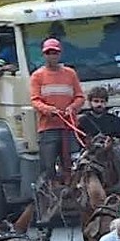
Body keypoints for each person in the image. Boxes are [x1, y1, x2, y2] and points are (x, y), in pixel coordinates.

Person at [30, 38, 85, 182]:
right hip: (48, 129)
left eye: (54, 52)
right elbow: (35, 100)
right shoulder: (37, 76)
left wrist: (72, 108)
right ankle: (47, 197)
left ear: (59, 54)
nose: (52, 56)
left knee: (73, 165)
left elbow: (79, 96)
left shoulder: (70, 73)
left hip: (69, 127)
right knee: (48, 168)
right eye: (49, 53)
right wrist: (50, 110)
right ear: (44, 55)